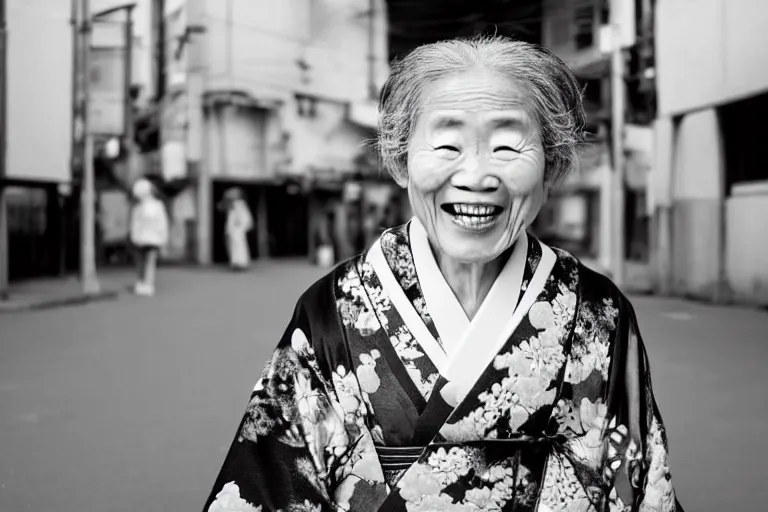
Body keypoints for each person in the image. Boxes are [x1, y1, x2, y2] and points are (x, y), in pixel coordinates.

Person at [203, 36, 682, 512]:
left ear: (551, 163)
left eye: (507, 147)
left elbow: (638, 488)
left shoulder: (600, 313)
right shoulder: (333, 312)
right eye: (448, 145)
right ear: (399, 159)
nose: (476, 176)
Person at [129, 178, 169, 297]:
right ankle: (145, 283)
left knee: (146, 262)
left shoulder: (145, 207)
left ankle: (146, 283)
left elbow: (161, 223)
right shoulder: (147, 206)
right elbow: (162, 223)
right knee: (145, 262)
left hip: (147, 239)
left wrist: (134, 237)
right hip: (146, 239)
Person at [224, 188, 254, 271]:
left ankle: (241, 263)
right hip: (233, 230)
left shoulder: (240, 204)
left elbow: (245, 218)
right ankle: (236, 263)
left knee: (239, 245)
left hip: (238, 229)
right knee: (234, 246)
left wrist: (240, 226)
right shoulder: (233, 204)